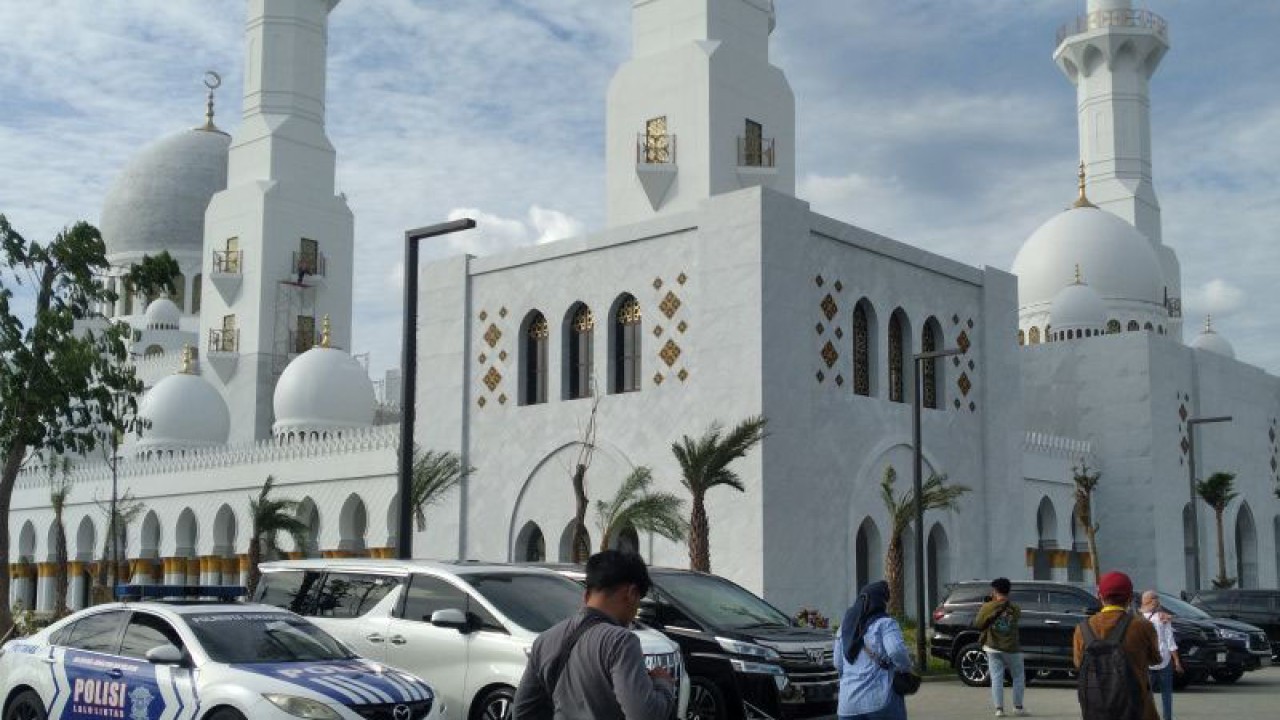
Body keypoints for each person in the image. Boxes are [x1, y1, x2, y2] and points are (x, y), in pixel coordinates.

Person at [512, 550, 677, 720]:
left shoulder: (545, 640)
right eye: (638, 602)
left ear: (587, 594)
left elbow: (523, 712)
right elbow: (644, 715)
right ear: (632, 593)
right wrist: (662, 683)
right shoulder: (621, 641)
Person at [1072, 571, 1160, 720]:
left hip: (1097, 710)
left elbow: (1078, 663)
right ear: (1130, 598)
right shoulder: (1142, 626)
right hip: (1138, 710)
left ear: (1100, 596)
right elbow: (1155, 659)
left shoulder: (1082, 629)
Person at [833, 580, 912, 720]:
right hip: (880, 701)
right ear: (880, 602)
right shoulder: (885, 623)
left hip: (848, 705)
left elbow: (837, 663)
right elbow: (896, 651)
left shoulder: (844, 628)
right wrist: (905, 667)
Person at [975, 578, 1026, 717]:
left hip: (992, 647)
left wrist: (987, 605)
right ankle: (1018, 707)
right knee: (1018, 676)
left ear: (994, 591)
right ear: (1008, 591)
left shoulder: (987, 607)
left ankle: (999, 709)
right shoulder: (1015, 608)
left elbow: (978, 624)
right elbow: (1015, 620)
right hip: (1012, 648)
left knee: (996, 678)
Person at [1140, 591, 1182, 720]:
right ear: (1149, 601)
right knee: (1166, 693)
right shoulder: (1162, 617)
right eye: (1155, 598)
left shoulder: (1138, 618)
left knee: (1147, 694)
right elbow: (1170, 641)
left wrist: (1176, 661)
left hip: (1150, 661)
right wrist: (1176, 661)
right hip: (1161, 660)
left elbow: (1170, 640)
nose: (1157, 601)